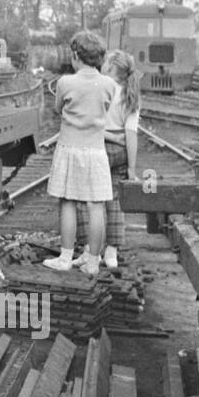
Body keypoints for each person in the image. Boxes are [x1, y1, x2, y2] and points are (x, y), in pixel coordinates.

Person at [43, 30, 119, 275]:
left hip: (69, 149)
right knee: (97, 206)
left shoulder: (65, 83)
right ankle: (93, 261)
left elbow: (57, 109)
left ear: (75, 56)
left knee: (68, 202)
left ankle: (65, 257)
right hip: (96, 152)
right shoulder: (110, 85)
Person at [100, 49, 140, 269]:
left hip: (98, 148)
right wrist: (132, 168)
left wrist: (108, 135)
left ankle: (91, 249)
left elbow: (93, 124)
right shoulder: (130, 93)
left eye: (106, 63)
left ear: (111, 66)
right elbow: (131, 134)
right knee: (115, 201)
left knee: (92, 199)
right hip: (121, 151)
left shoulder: (102, 88)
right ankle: (112, 253)